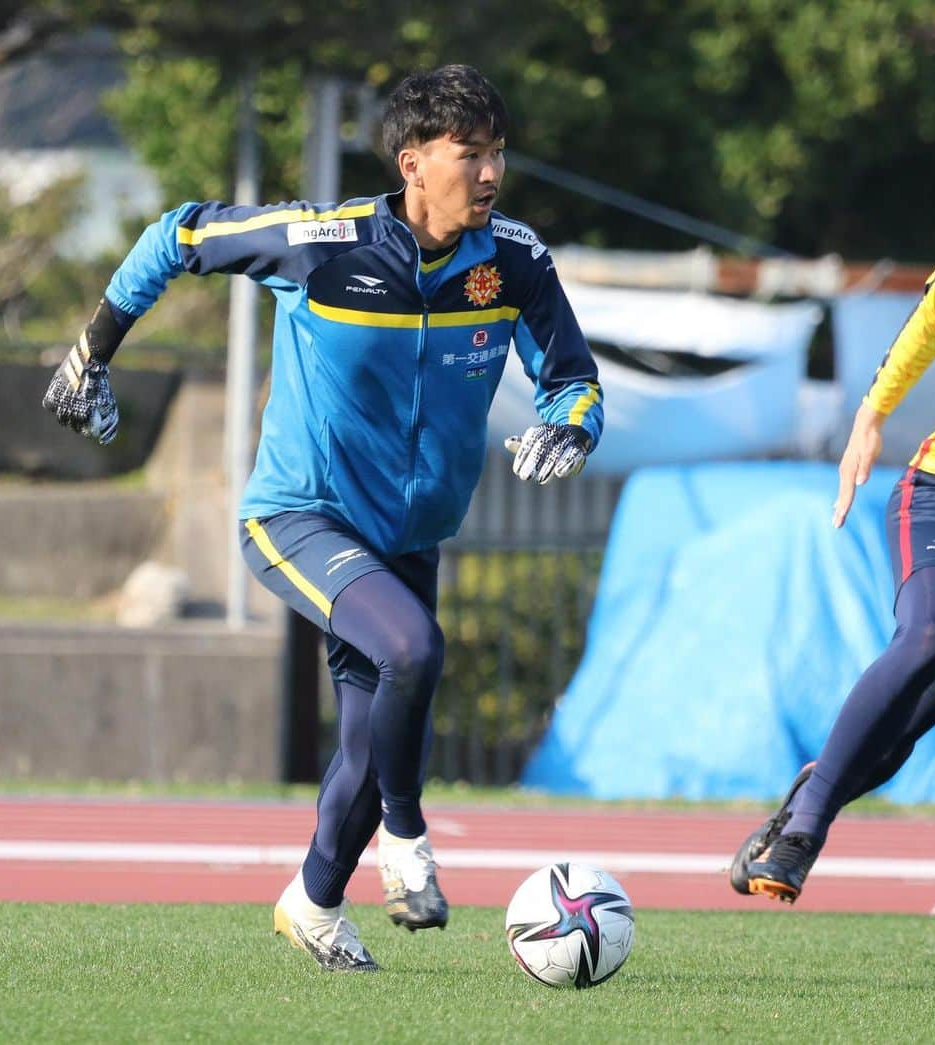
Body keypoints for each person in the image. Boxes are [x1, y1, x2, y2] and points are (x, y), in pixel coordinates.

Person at [43, 64, 604, 968]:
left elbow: (572, 380)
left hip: (408, 537)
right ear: (413, 161)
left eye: (500, 152)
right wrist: (90, 354)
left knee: (367, 744)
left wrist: (571, 428)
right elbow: (177, 232)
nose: (492, 173)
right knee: (414, 650)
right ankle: (409, 841)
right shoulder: (324, 245)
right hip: (298, 518)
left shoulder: (515, 261)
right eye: (472, 154)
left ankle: (310, 901)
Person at [730, 223, 935, 903]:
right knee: (934, 632)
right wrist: (872, 414)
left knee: (904, 725)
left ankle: (807, 798)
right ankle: (802, 834)